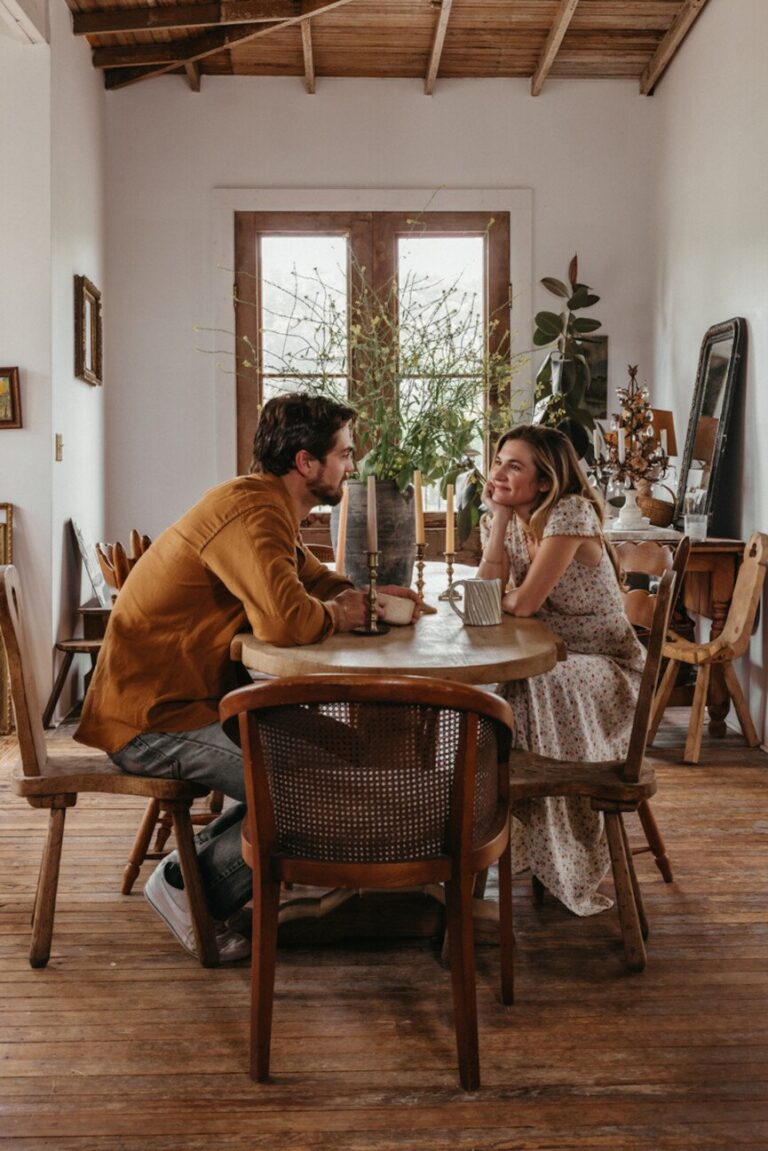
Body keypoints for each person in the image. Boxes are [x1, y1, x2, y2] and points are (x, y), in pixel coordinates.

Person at [75, 392, 418, 959]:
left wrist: (363, 598)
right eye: (345, 454)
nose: (352, 466)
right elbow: (286, 620)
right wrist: (342, 613)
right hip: (153, 720)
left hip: (199, 704)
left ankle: (201, 859)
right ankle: (191, 887)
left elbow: (313, 581)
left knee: (346, 749)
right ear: (306, 463)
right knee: (311, 792)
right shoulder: (252, 512)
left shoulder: (266, 508)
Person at [477, 424, 645, 916]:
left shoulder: (569, 512)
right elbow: (491, 596)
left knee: (520, 685)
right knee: (501, 687)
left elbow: (522, 605)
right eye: (499, 461)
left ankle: (536, 827)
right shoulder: (516, 518)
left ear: (546, 480)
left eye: (515, 465)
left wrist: (507, 599)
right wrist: (500, 519)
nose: (499, 472)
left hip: (607, 670)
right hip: (560, 660)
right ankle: (501, 818)